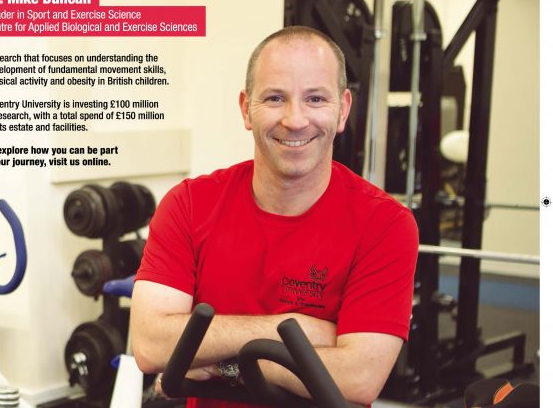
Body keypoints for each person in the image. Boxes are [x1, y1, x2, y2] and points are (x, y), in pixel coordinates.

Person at [130, 25, 418, 408]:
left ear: (343, 109)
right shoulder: (188, 204)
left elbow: (358, 378)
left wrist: (224, 364)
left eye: (315, 98)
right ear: (246, 109)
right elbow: (150, 345)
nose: (295, 119)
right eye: (275, 98)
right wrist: (297, 332)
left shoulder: (386, 225)